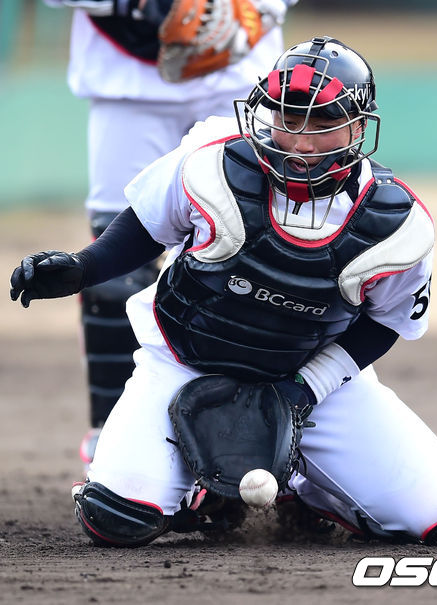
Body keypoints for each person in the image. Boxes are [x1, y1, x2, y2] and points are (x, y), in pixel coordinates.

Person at [10, 36, 437, 547]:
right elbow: (148, 225)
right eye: (288, 118)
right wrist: (83, 268)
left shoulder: (396, 225)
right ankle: (202, 490)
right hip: (185, 361)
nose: (300, 142)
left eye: (322, 123)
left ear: (357, 127)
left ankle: (307, 488)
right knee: (117, 516)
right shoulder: (213, 162)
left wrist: (303, 391)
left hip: (308, 380)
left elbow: (386, 323)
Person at [42, 0, 298, 467]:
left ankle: (264, 438)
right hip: (128, 83)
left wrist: (261, 7)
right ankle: (114, 443)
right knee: (116, 273)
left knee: (260, 256)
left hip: (243, 76)